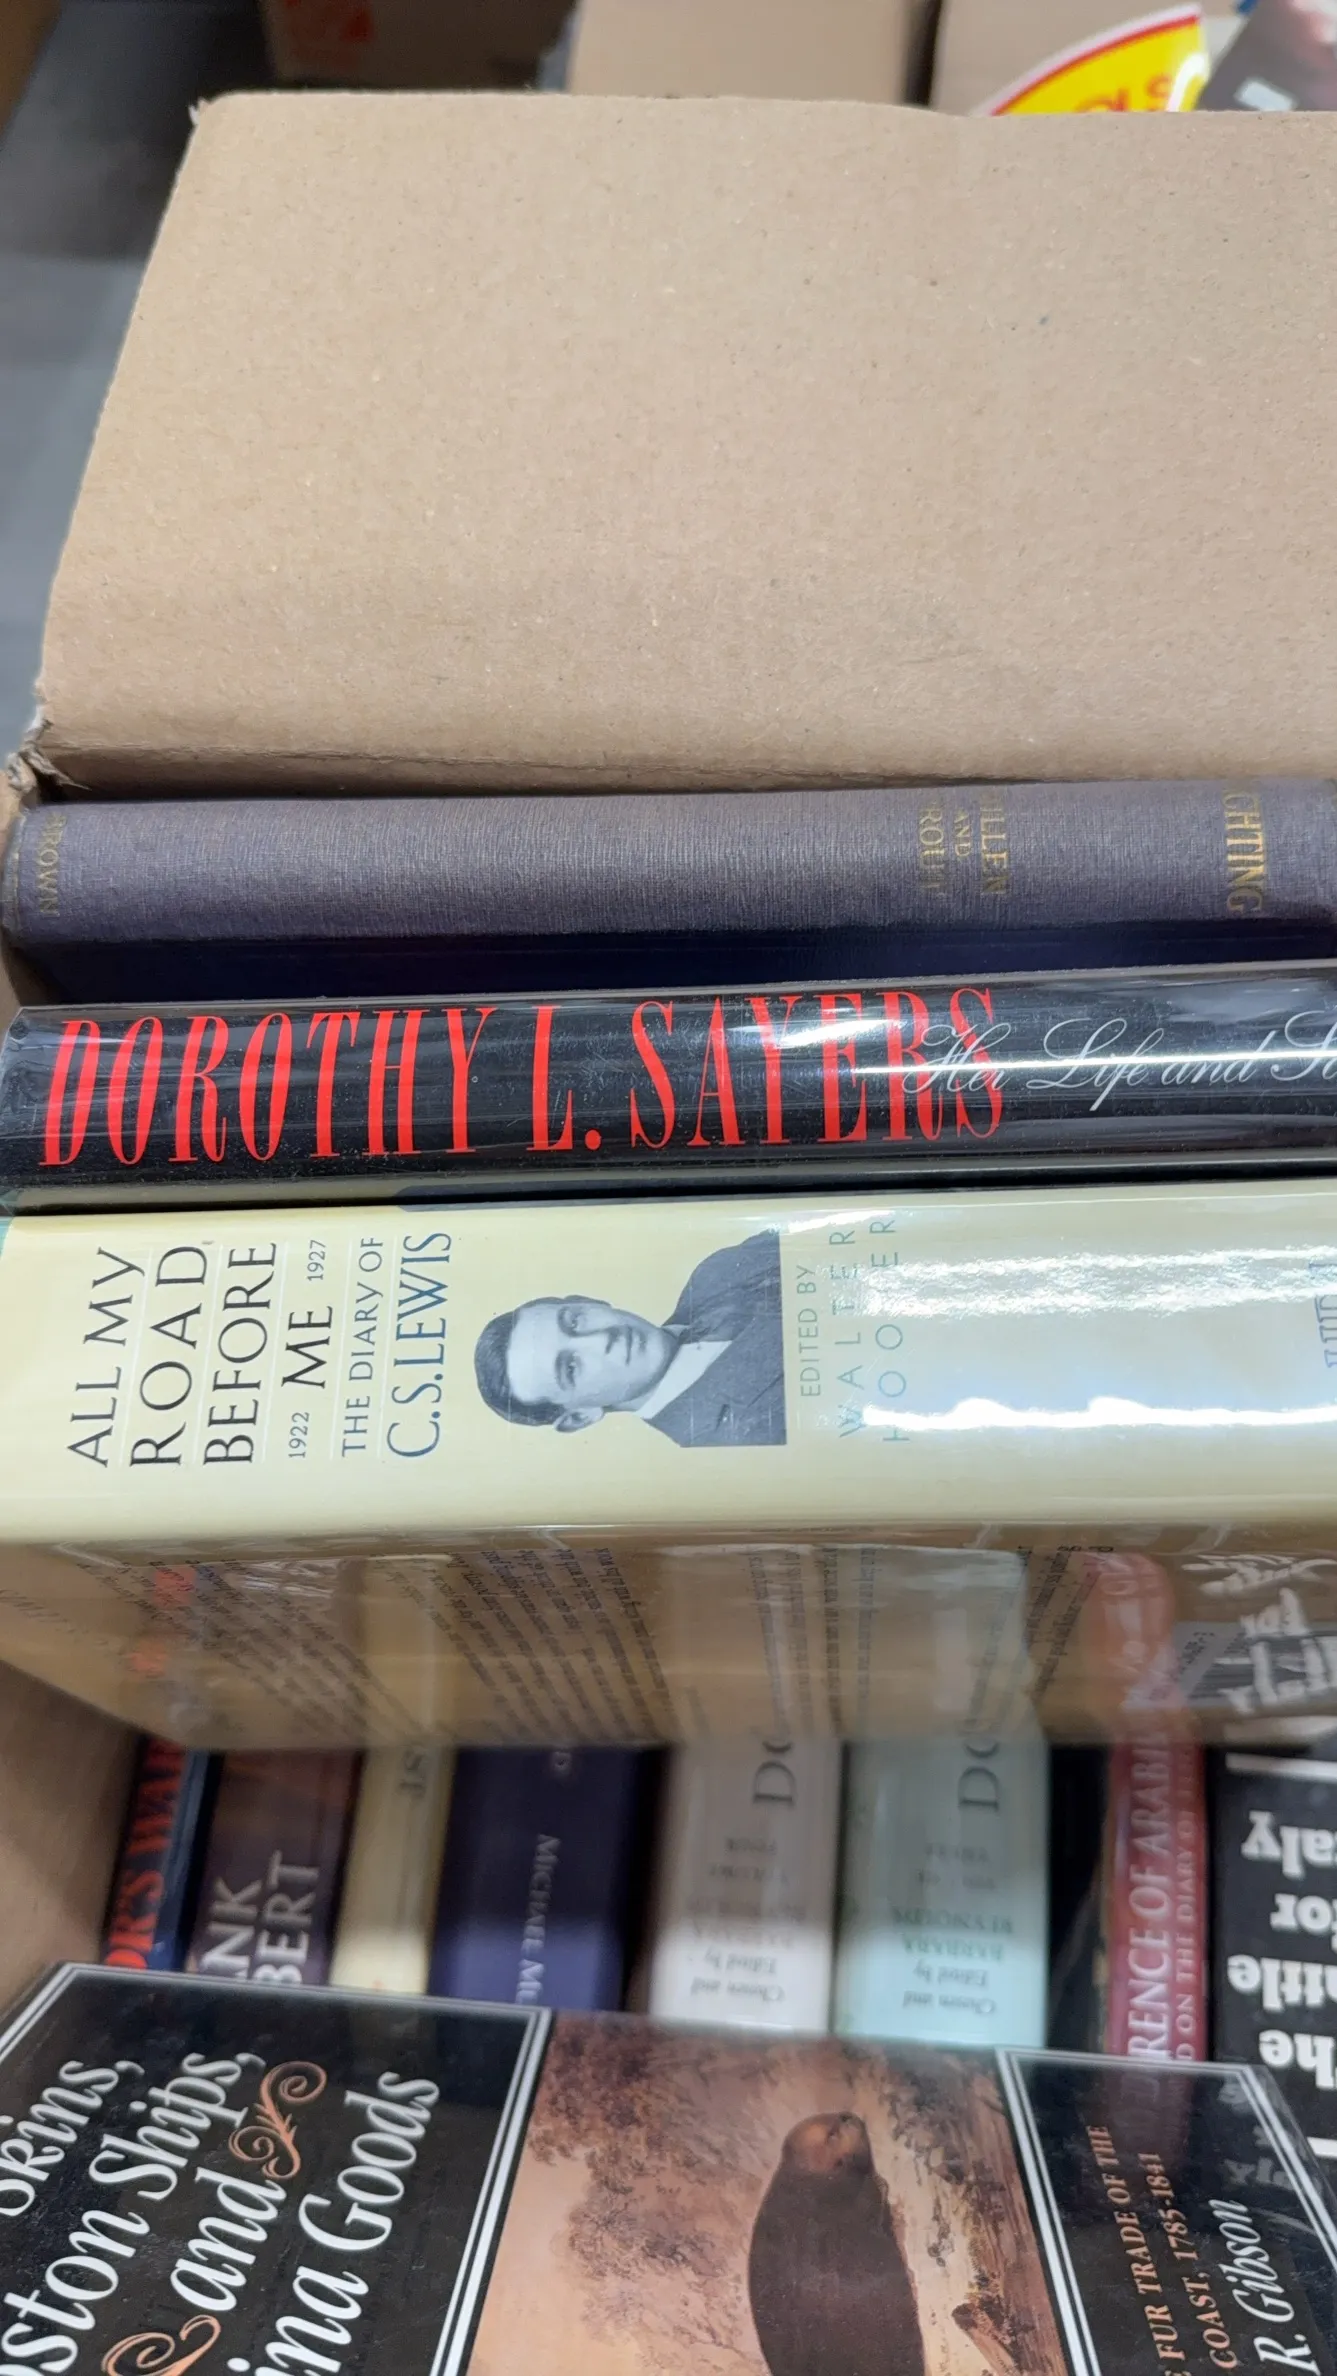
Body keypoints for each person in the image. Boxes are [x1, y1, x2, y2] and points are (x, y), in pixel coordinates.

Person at [474, 1230, 786, 1447]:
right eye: (571, 1367)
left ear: (589, 1300)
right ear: (580, 1417)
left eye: (575, 1321)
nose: (600, 1339)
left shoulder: (715, 1273)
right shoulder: (743, 1439)